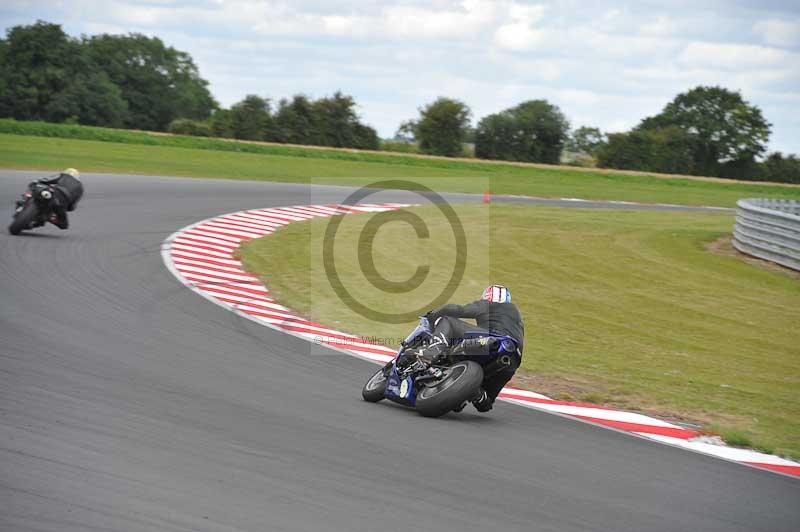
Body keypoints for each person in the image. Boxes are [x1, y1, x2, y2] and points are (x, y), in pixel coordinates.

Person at [422, 284, 524, 413]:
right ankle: (479, 396)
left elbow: (456, 310)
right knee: (486, 403)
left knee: (447, 321)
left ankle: (430, 353)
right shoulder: (517, 317)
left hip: (491, 340)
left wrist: (432, 316)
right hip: (512, 360)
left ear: (486, 297)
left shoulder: (487, 304)